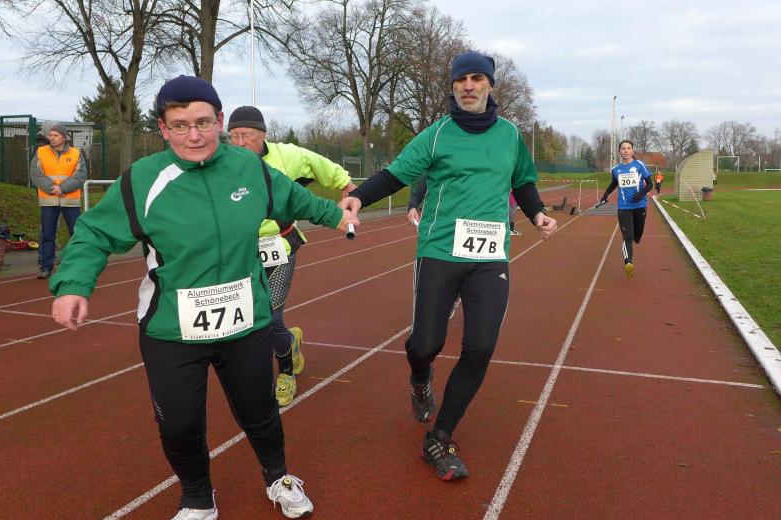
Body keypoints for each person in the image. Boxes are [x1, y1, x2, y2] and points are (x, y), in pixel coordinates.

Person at [49, 76, 359, 520]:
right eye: (180, 125)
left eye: (203, 123)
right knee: (178, 425)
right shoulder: (143, 180)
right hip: (171, 329)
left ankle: (278, 479)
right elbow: (94, 233)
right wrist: (74, 285)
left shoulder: (248, 168)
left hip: (245, 324)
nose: (193, 135)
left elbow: (293, 198)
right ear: (163, 128)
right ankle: (197, 500)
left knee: (260, 412)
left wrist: (336, 216)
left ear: (219, 121)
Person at [339, 51, 557, 480]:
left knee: (481, 347)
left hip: (489, 257)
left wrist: (538, 214)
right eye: (461, 80)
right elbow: (396, 175)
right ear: (453, 87)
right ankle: (420, 377)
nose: (468, 86)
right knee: (425, 344)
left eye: (477, 78)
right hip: (440, 251)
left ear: (490, 84)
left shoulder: (510, 135)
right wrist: (359, 197)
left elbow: (523, 181)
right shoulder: (437, 135)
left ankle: (439, 436)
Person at [227, 105, 357, 406]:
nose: (240, 143)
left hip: (280, 249)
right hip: (241, 253)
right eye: (233, 136)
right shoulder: (224, 163)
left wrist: (346, 186)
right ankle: (291, 341)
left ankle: (286, 373)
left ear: (263, 135)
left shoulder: (287, 156)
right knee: (246, 320)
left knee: (269, 318)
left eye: (246, 135)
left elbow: (323, 166)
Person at [29, 123, 87, 279]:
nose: (52, 138)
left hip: (71, 202)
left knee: (76, 234)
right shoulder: (41, 152)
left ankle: (78, 265)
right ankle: (46, 267)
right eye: (50, 135)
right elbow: (35, 174)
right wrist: (52, 188)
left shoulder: (76, 153)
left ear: (64, 137)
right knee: (47, 235)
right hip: (49, 201)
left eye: (55, 135)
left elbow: (81, 176)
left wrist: (62, 188)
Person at [595, 139, 653, 278]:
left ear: (632, 151)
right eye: (623, 148)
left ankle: (637, 238)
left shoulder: (640, 165)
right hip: (624, 207)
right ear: (619, 151)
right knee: (628, 237)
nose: (626, 151)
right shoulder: (616, 169)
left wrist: (641, 194)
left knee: (637, 236)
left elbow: (650, 184)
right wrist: (605, 195)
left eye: (628, 148)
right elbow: (613, 184)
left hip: (640, 206)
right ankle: (628, 263)